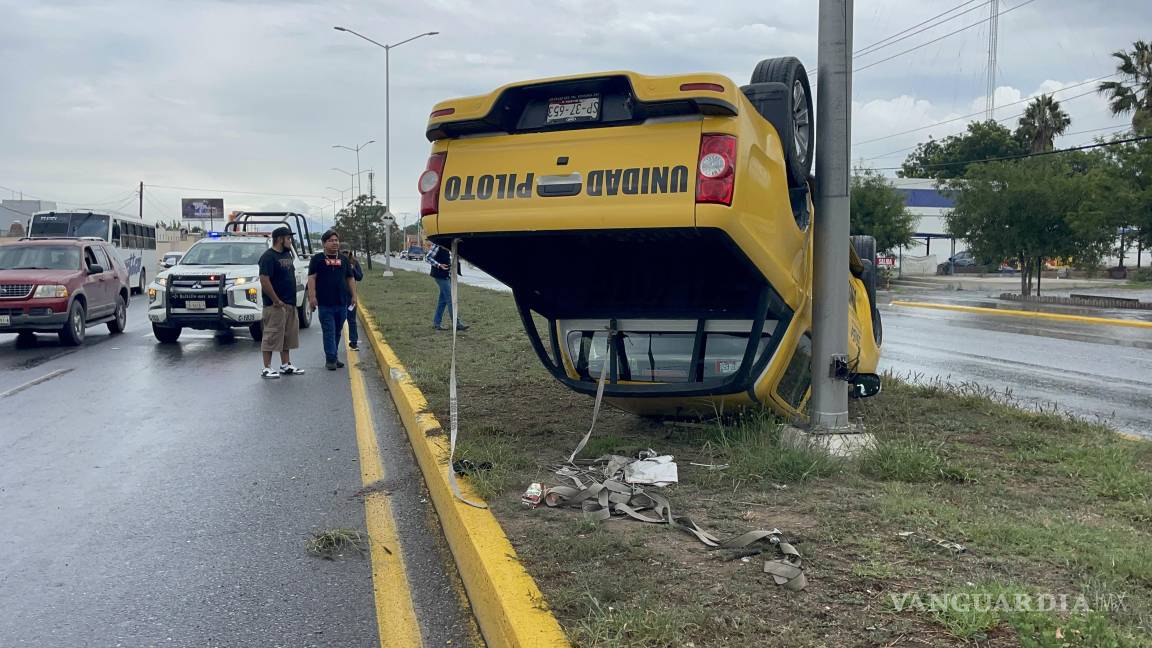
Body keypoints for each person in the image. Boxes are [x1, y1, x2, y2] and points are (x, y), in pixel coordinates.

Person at [257, 226, 304, 379]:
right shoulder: (268, 257)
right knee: (272, 335)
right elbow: (264, 280)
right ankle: (267, 367)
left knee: (287, 335)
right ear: (279, 239)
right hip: (275, 304)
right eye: (288, 238)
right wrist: (275, 299)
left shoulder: (287, 254)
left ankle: (286, 364)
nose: (290, 241)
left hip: (289, 303)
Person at [309, 230, 357, 370]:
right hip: (325, 303)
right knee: (329, 330)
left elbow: (350, 278)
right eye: (331, 240)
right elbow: (312, 278)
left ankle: (333, 356)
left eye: (336, 240)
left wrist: (354, 295)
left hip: (342, 302)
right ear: (324, 243)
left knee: (337, 330)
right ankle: (330, 358)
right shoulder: (317, 259)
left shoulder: (343, 259)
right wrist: (312, 297)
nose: (335, 242)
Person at [427, 242, 468, 331]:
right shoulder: (438, 244)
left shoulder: (451, 245)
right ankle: (457, 324)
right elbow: (428, 258)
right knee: (451, 299)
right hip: (440, 275)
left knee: (443, 300)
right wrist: (439, 265)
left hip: (446, 275)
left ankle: (436, 323)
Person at [341, 243, 364, 350]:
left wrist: (352, 268)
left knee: (352, 320)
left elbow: (359, 277)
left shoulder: (354, 262)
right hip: (339, 295)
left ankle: (353, 341)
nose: (345, 254)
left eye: (346, 252)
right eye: (343, 252)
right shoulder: (337, 262)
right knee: (339, 320)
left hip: (351, 296)